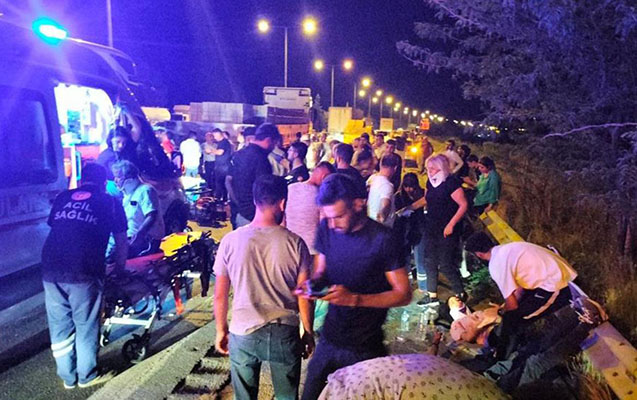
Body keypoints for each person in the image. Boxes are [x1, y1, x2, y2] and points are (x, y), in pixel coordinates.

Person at [299, 174, 412, 400]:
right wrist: (312, 285)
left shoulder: (383, 239)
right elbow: (321, 271)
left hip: (365, 346)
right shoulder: (327, 227)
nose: (333, 224)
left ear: (358, 204)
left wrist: (355, 299)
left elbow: (403, 294)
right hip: (329, 337)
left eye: (339, 216)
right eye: (328, 217)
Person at [214, 175, 315, 400]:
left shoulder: (230, 241)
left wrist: (221, 329)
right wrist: (308, 332)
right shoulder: (296, 243)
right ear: (283, 203)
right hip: (284, 333)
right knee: (287, 396)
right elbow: (304, 296)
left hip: (243, 332)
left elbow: (220, 295)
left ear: (254, 200)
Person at [41, 163, 128, 389]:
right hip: (84, 269)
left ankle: (68, 377)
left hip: (51, 267)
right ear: (104, 183)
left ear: (82, 180)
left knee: (60, 323)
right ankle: (87, 375)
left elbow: (58, 227)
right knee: (86, 323)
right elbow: (121, 240)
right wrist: (120, 268)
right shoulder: (110, 202)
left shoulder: (63, 197)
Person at [464, 232, 578, 359]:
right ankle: (499, 347)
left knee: (516, 319)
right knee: (512, 316)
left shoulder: (496, 265)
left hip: (559, 284)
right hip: (557, 272)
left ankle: (501, 356)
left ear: (479, 254)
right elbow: (518, 290)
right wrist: (503, 308)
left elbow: (512, 305)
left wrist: (501, 312)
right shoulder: (507, 248)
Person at [401, 154, 468, 307]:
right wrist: (410, 208)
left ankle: (460, 292)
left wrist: (451, 224)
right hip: (431, 226)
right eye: (428, 168)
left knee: (445, 263)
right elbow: (427, 199)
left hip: (447, 229)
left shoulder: (451, 183)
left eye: (432, 168)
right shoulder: (431, 183)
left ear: (441, 167)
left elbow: (463, 205)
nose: (429, 172)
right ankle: (432, 296)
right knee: (429, 261)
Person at [229, 123, 280, 227]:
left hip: (240, 211)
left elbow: (229, 180)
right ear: (269, 140)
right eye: (274, 143)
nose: (274, 147)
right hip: (255, 215)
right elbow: (264, 190)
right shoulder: (261, 159)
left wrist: (237, 203)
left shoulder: (239, 154)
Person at [111, 160, 165, 258]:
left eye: (118, 177)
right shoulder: (127, 194)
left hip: (145, 241)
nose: (115, 180)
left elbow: (151, 216)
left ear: (129, 178)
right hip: (131, 238)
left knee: (114, 257)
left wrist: (139, 235)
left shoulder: (145, 190)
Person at [285, 161, 335, 256]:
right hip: (311, 250)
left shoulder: (290, 188)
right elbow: (323, 224)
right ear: (324, 177)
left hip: (290, 246)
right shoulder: (321, 196)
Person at [394, 173, 427, 293]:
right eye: (406, 186)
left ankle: (423, 287)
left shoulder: (422, 194)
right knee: (406, 258)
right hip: (404, 231)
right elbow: (396, 214)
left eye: (412, 186)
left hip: (419, 229)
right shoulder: (398, 197)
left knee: (420, 259)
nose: (409, 189)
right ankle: (407, 284)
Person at [366, 153, 400, 228]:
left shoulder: (374, 178)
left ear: (381, 164)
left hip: (371, 222)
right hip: (382, 227)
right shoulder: (387, 185)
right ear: (395, 168)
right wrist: (382, 219)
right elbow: (385, 204)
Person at [212, 128, 232, 201]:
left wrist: (211, 151)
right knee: (222, 184)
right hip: (222, 166)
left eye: (215, 136)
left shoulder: (223, 142)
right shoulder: (223, 142)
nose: (214, 138)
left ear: (218, 134)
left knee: (219, 183)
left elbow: (220, 152)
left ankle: (218, 198)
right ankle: (223, 199)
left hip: (222, 167)